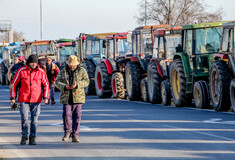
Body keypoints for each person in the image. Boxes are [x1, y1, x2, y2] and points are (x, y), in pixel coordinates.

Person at [10, 55, 49, 145]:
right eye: (32, 62)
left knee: (34, 120)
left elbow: (46, 85)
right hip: (24, 99)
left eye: (35, 62)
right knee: (24, 118)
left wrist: (46, 97)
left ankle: (32, 137)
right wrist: (13, 98)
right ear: (28, 62)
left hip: (36, 99)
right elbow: (14, 84)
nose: (34, 64)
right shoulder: (21, 71)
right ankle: (24, 136)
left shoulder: (41, 72)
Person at [55, 55, 89, 143]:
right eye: (70, 65)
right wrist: (65, 86)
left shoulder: (82, 71)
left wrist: (77, 84)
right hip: (66, 97)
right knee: (66, 115)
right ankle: (67, 132)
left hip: (78, 97)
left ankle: (75, 135)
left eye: (73, 65)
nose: (72, 66)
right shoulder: (63, 71)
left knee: (77, 116)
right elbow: (57, 82)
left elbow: (86, 81)